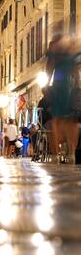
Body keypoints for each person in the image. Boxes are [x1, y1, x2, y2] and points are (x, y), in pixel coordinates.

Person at [46, 34, 80, 164]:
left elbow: (49, 69)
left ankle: (57, 153)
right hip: (69, 87)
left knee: (58, 120)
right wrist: (77, 86)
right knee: (70, 121)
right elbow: (76, 71)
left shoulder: (55, 54)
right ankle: (70, 152)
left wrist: (47, 85)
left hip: (59, 87)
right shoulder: (72, 54)